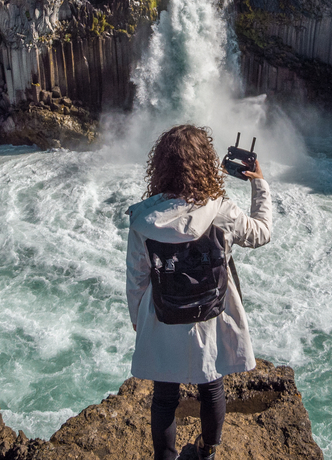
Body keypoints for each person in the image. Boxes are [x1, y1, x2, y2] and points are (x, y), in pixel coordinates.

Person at [126, 124, 272, 460]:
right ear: (206, 164)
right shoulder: (221, 211)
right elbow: (262, 233)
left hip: (164, 316)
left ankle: (165, 457)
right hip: (211, 315)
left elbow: (137, 277)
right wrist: (258, 182)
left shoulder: (144, 219)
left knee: (164, 396)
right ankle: (206, 452)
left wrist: (138, 319)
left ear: (160, 167)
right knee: (212, 385)